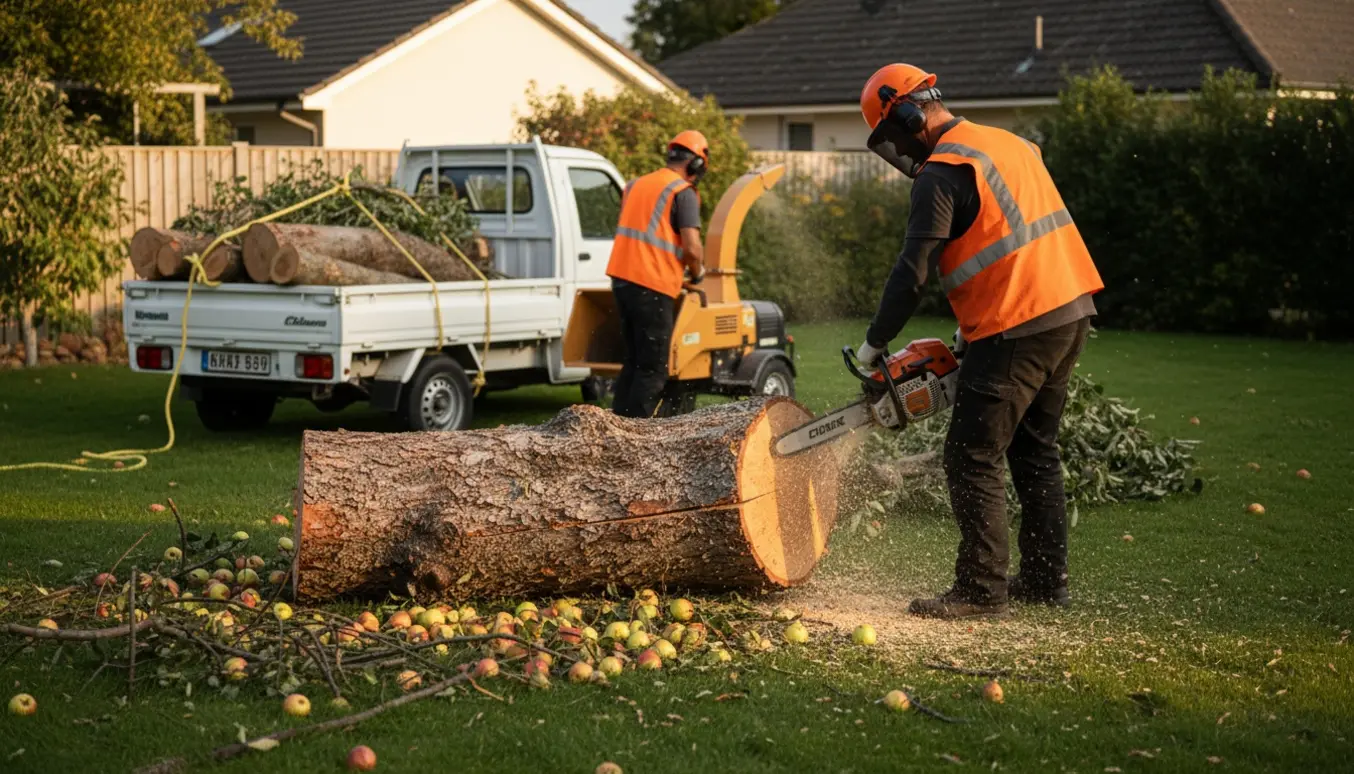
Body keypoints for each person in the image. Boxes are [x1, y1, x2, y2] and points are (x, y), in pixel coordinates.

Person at [855, 64, 1104, 619]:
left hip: (1019, 322)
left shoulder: (943, 171)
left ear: (909, 114)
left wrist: (876, 342)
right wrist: (970, 332)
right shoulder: (1008, 144)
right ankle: (1045, 580)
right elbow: (1011, 237)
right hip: (1069, 311)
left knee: (971, 454)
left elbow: (913, 272)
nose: (899, 149)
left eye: (893, 135)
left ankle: (981, 590)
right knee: (1035, 450)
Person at [605, 130, 709, 418]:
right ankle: (638, 432)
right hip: (652, 284)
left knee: (634, 361)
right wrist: (698, 274)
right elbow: (692, 249)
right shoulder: (682, 192)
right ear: (696, 163)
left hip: (621, 280)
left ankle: (617, 425)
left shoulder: (635, 185)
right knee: (653, 368)